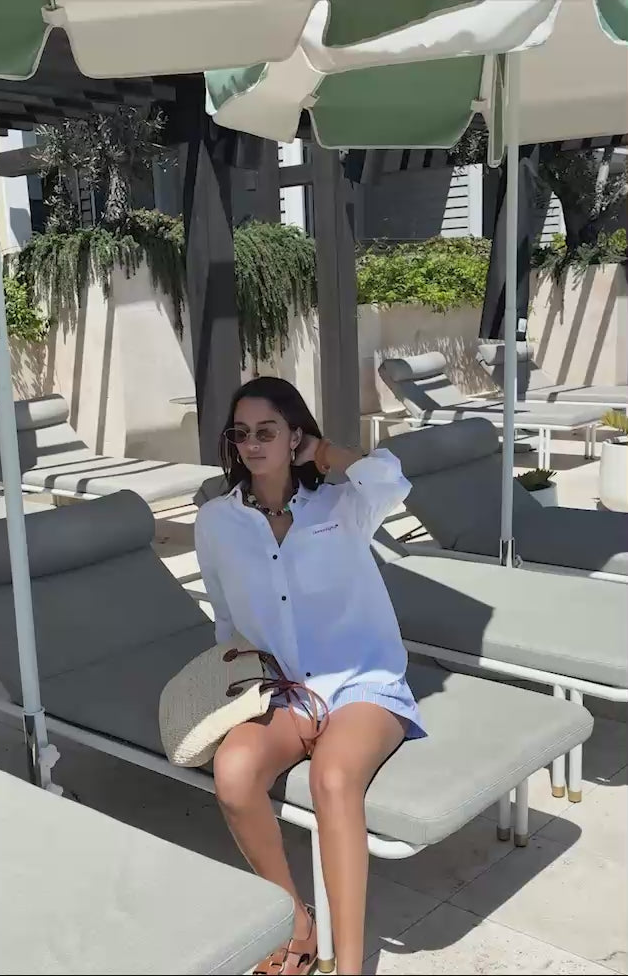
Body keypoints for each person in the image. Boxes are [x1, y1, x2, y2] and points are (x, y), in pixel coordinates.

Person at [195, 377, 424, 976]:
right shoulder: (216, 520)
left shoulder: (343, 504)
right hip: (284, 689)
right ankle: (296, 922)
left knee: (333, 779)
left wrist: (322, 453)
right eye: (240, 433)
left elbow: (391, 478)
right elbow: (226, 617)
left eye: (266, 431)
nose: (251, 444)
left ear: (294, 434)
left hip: (360, 682)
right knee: (234, 773)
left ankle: (349, 968)